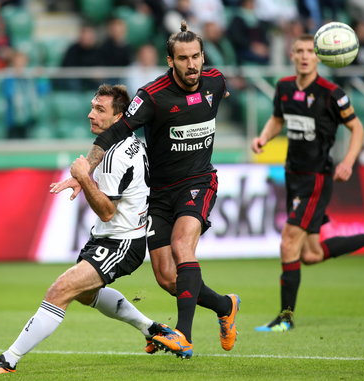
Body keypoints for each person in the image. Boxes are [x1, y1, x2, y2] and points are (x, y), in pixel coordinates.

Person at [50, 21, 240, 359]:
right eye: (183, 58)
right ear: (170, 61)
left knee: (184, 247)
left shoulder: (215, 81)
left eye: (196, 56)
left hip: (198, 182)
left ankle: (183, 335)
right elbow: (113, 134)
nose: (192, 64)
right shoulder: (152, 96)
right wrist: (83, 174)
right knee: (168, 279)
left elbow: (218, 92)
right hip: (159, 193)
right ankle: (225, 306)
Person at [0, 84, 175, 374]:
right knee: (84, 294)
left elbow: (107, 211)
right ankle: (151, 328)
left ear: (119, 117)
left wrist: (83, 176)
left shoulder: (115, 156)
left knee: (60, 290)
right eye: (92, 106)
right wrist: (84, 178)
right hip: (109, 238)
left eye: (100, 109)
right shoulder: (128, 143)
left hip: (121, 242)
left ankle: (8, 360)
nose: (90, 114)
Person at [250, 34, 364, 332]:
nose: (305, 56)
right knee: (310, 254)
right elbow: (278, 119)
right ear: (292, 55)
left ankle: (286, 317)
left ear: (319, 57)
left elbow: (357, 129)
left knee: (288, 240)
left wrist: (347, 162)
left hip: (317, 178)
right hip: (293, 175)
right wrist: (264, 137)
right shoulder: (283, 87)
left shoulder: (332, 94)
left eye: (310, 51)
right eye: (300, 51)